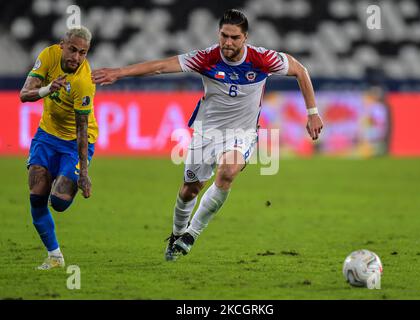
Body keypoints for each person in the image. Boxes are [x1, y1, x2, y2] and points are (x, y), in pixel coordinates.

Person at [92, 9, 323, 261]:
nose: (228, 42)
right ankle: (177, 235)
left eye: (234, 37)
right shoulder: (206, 58)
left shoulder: (262, 59)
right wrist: (118, 73)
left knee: (228, 171)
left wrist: (312, 112)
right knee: (189, 190)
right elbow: (160, 66)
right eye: (224, 35)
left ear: (245, 37)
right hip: (207, 133)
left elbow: (301, 70)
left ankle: (191, 234)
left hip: (242, 133)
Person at [20, 26, 97, 270]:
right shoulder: (48, 56)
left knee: (60, 202)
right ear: (62, 45)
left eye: (82, 53)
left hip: (75, 142)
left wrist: (84, 173)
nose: (76, 57)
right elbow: (24, 95)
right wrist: (47, 89)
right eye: (72, 50)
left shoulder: (84, 82)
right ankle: (55, 256)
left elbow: (82, 130)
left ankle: (63, 175)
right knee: (36, 197)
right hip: (46, 135)